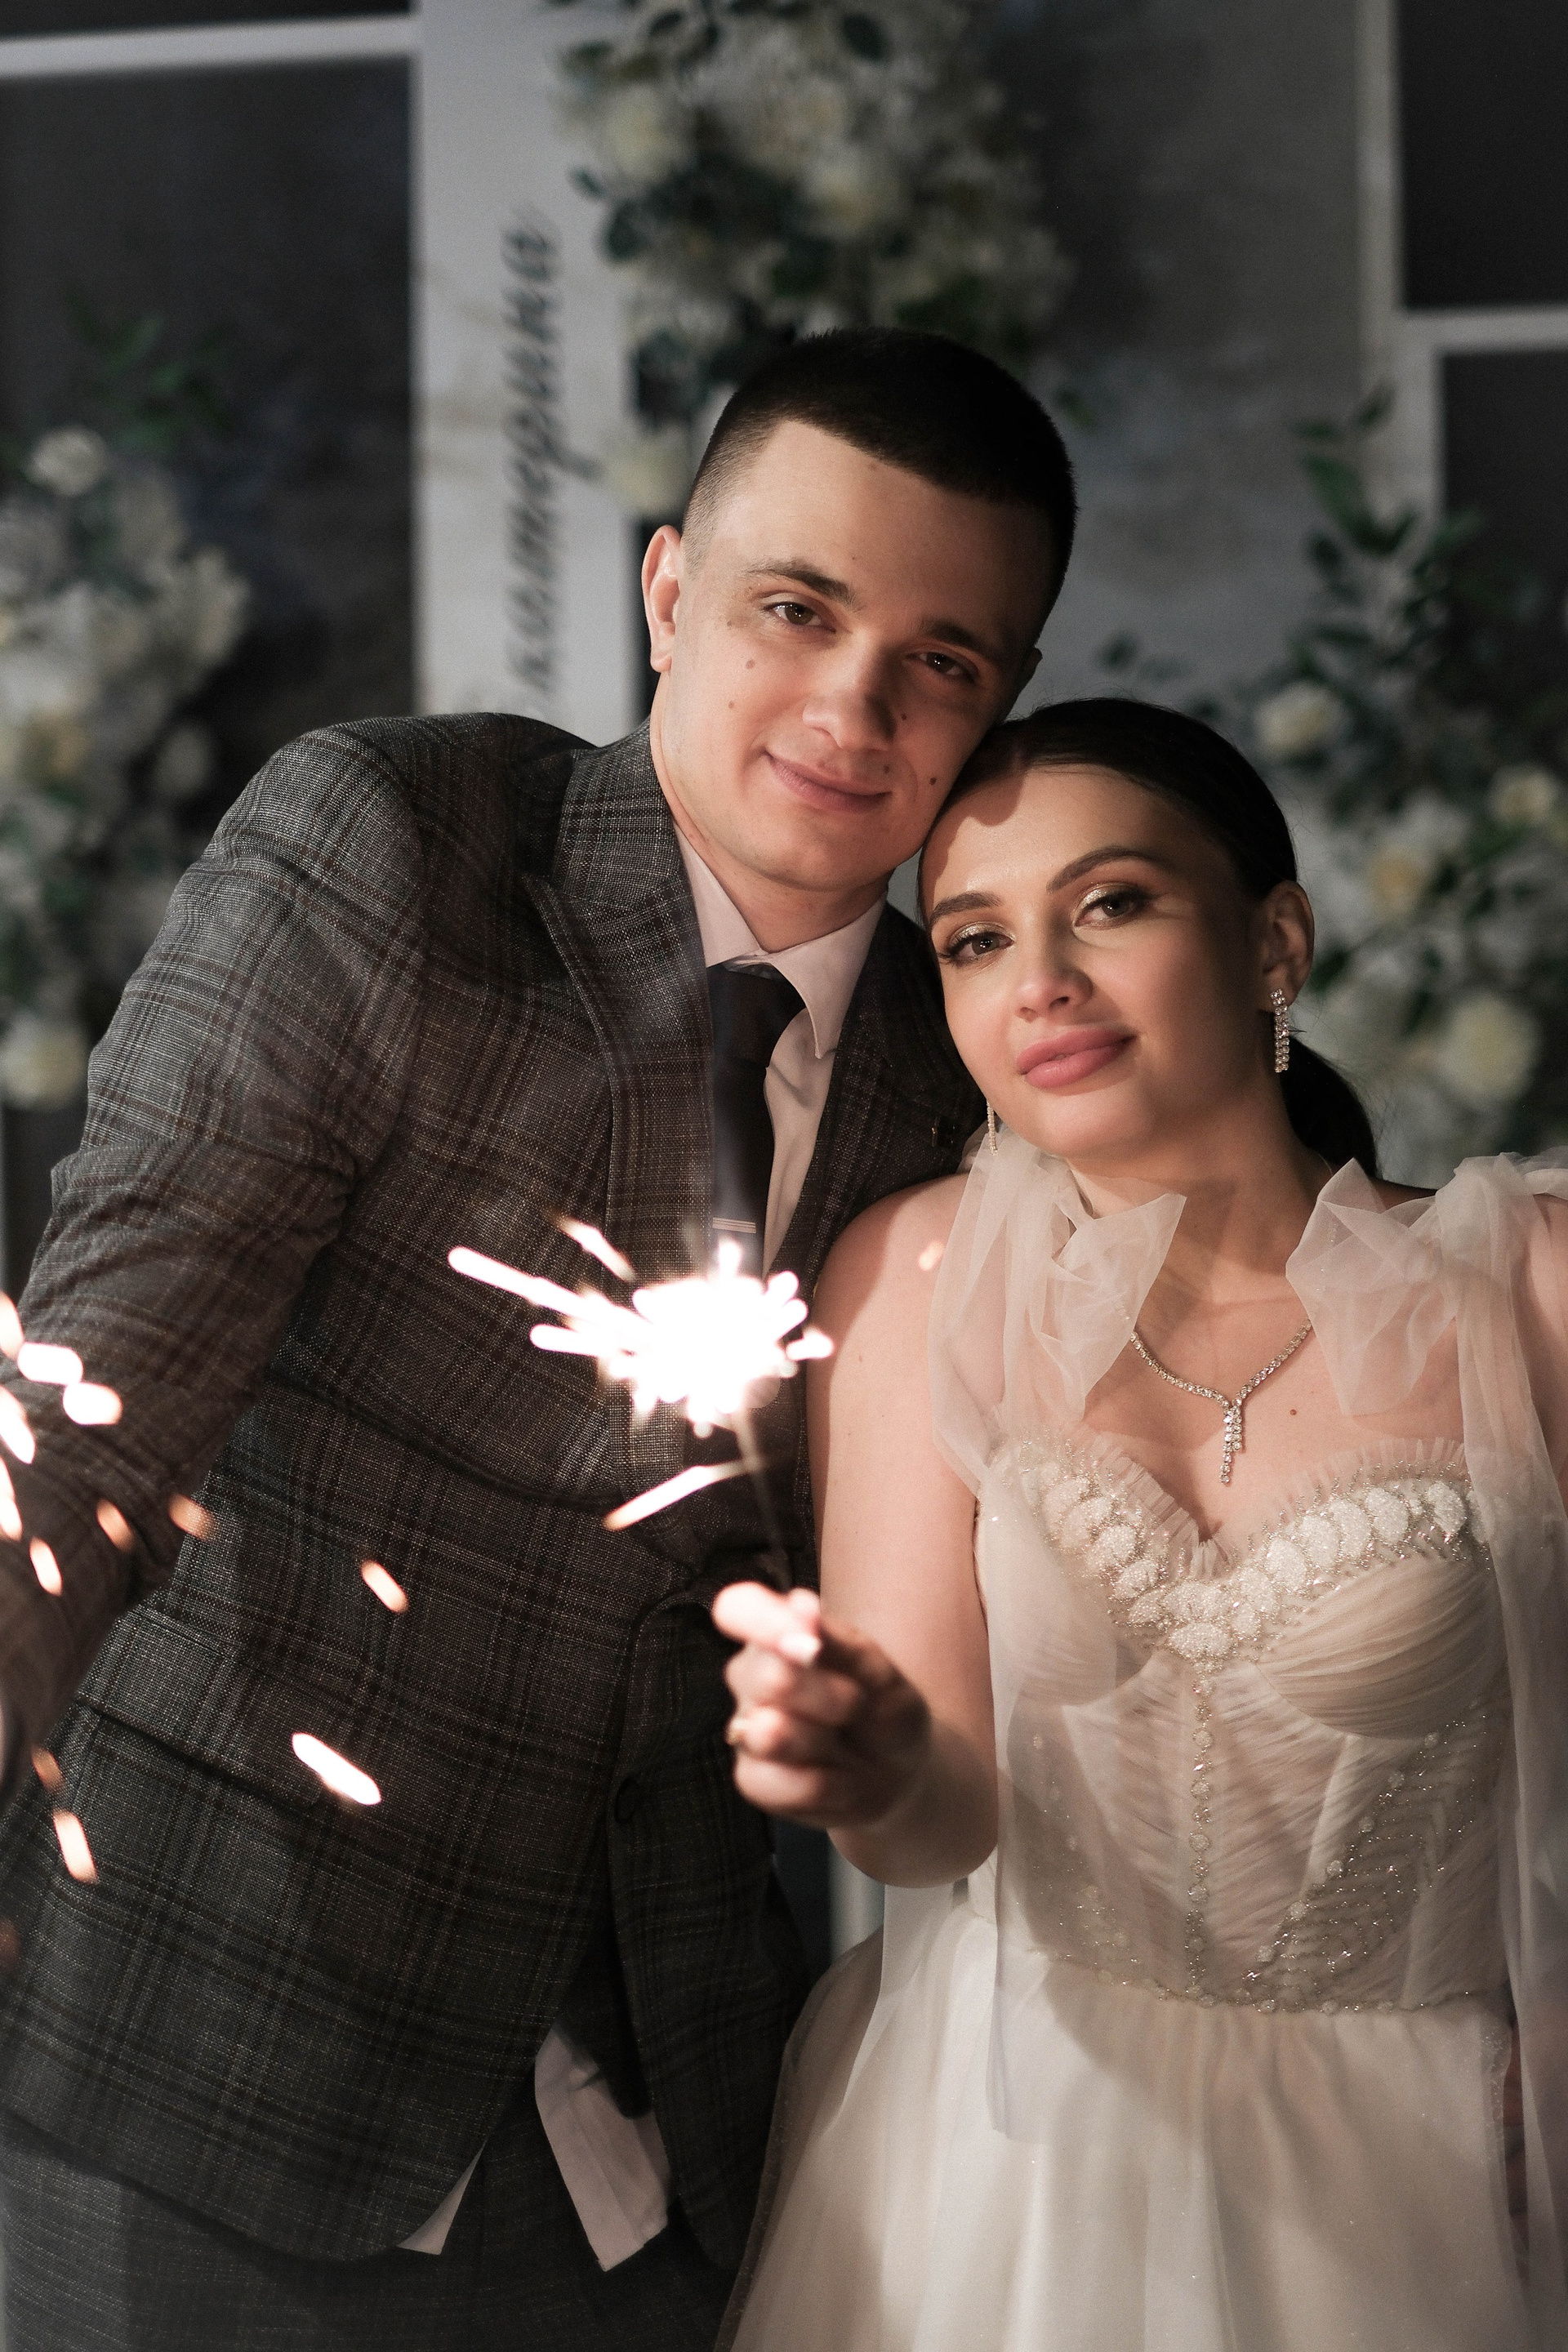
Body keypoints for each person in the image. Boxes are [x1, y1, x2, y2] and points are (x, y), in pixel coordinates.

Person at [0, 330, 1076, 2350]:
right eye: (796, 609)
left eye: (940, 661)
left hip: (672, 2137)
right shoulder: (395, 846)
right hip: (206, 2055)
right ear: (668, 589)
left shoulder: (987, 1067)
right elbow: (103, 1400)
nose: (853, 707)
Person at [715, 697, 1568, 2352]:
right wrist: (869, 1764)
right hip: (1017, 2148)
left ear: (1274, 943)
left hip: (1421, 2159)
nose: (1038, 980)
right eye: (975, 939)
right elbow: (928, 1829)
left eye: (1109, 903)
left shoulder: (1524, 1286)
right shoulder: (921, 1276)